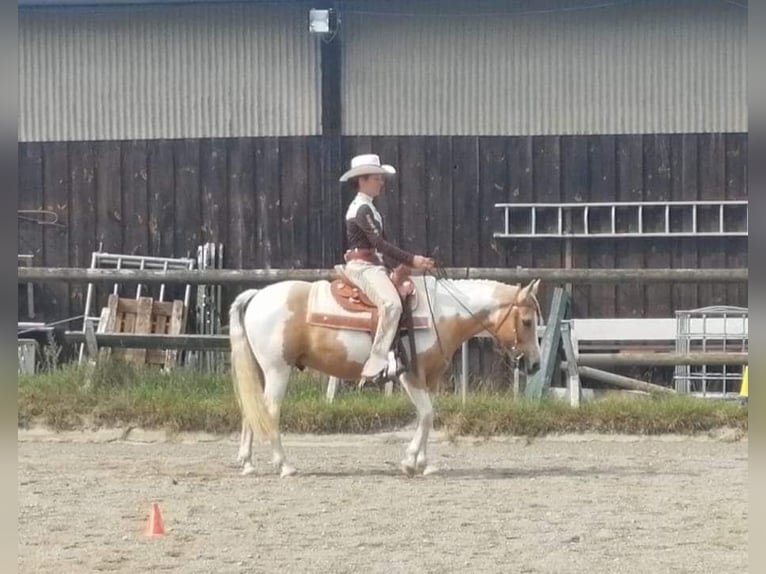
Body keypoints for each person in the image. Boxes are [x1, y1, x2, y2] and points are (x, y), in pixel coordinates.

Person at [339, 154, 435, 382]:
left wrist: (402, 266)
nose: (381, 182)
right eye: (377, 178)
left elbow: (381, 248)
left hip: (374, 264)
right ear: (362, 180)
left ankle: (395, 354)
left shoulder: (369, 209)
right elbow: (379, 244)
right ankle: (377, 361)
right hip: (362, 267)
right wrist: (412, 259)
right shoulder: (361, 210)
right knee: (391, 304)